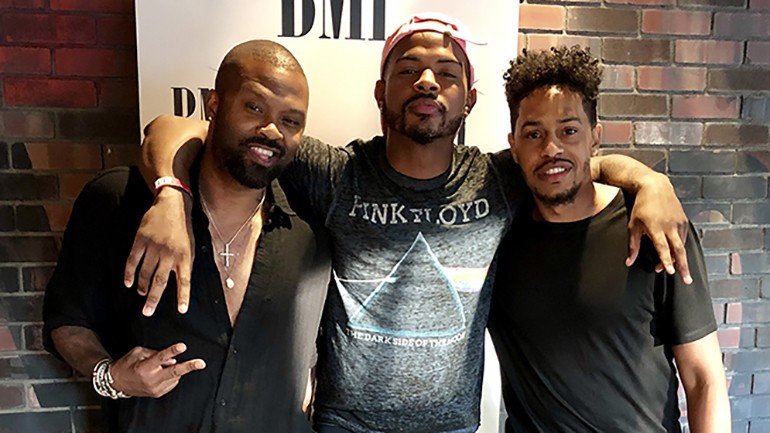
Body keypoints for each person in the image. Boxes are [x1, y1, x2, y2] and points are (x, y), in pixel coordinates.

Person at [126, 13, 692, 433]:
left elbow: (574, 165)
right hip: (344, 426)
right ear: (380, 92)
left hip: (452, 428)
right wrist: (171, 194)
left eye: (445, 73)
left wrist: (649, 181)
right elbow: (175, 128)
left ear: (468, 100)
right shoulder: (335, 173)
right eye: (409, 69)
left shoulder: (501, 180)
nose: (427, 82)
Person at [42, 40, 330, 433]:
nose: (271, 130)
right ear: (214, 105)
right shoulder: (119, 202)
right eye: (255, 107)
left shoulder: (311, 233)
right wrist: (112, 377)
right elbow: (67, 322)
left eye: (291, 121)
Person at [488, 46, 730, 433]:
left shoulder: (654, 226)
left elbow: (704, 380)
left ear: (595, 138)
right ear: (513, 146)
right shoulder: (496, 235)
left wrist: (651, 182)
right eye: (534, 134)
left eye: (569, 131)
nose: (551, 149)